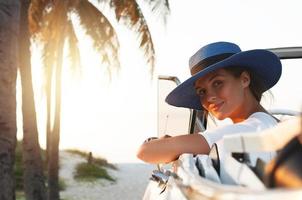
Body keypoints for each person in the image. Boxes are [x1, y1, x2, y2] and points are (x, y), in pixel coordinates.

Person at [137, 41, 282, 165]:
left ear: (244, 79)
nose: (210, 97)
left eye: (217, 83)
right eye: (202, 91)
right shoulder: (267, 125)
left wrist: (168, 143)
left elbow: (145, 152)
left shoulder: (254, 129)